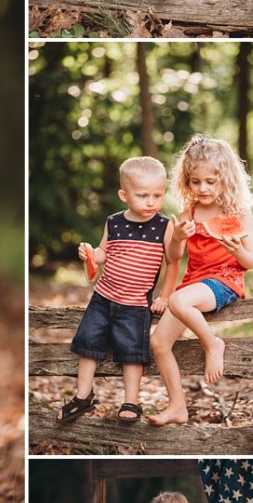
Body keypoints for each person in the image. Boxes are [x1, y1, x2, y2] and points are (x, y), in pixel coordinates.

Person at [147, 135, 253, 426]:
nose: (203, 188)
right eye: (196, 182)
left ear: (226, 179)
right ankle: (177, 407)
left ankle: (213, 344)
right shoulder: (189, 213)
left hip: (224, 280)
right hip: (194, 282)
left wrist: (238, 250)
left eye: (211, 181)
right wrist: (179, 236)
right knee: (158, 342)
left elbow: (252, 261)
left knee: (179, 300)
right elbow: (173, 255)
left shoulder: (239, 212)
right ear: (187, 181)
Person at [57, 156, 175, 424]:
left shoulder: (163, 226)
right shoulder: (114, 222)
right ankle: (83, 397)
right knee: (88, 345)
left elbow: (173, 263)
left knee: (132, 354)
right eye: (143, 195)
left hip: (135, 304)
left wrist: (165, 296)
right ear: (124, 194)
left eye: (157, 195)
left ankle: (131, 401)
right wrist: (89, 252)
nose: (151, 202)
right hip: (103, 297)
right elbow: (102, 254)